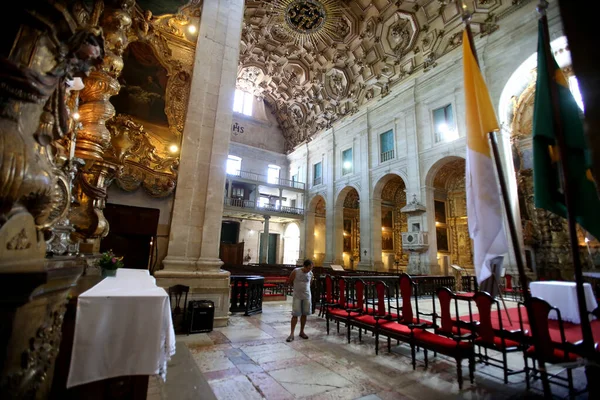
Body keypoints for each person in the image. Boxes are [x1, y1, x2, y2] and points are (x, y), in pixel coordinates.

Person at [286, 259, 314, 342]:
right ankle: (291, 334)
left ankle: (302, 331)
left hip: (307, 296)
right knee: (295, 314)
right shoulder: (296, 271)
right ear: (304, 266)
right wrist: (296, 289)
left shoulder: (311, 273)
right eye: (308, 268)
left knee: (304, 314)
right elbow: (290, 281)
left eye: (311, 268)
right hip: (297, 296)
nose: (309, 270)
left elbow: (310, 283)